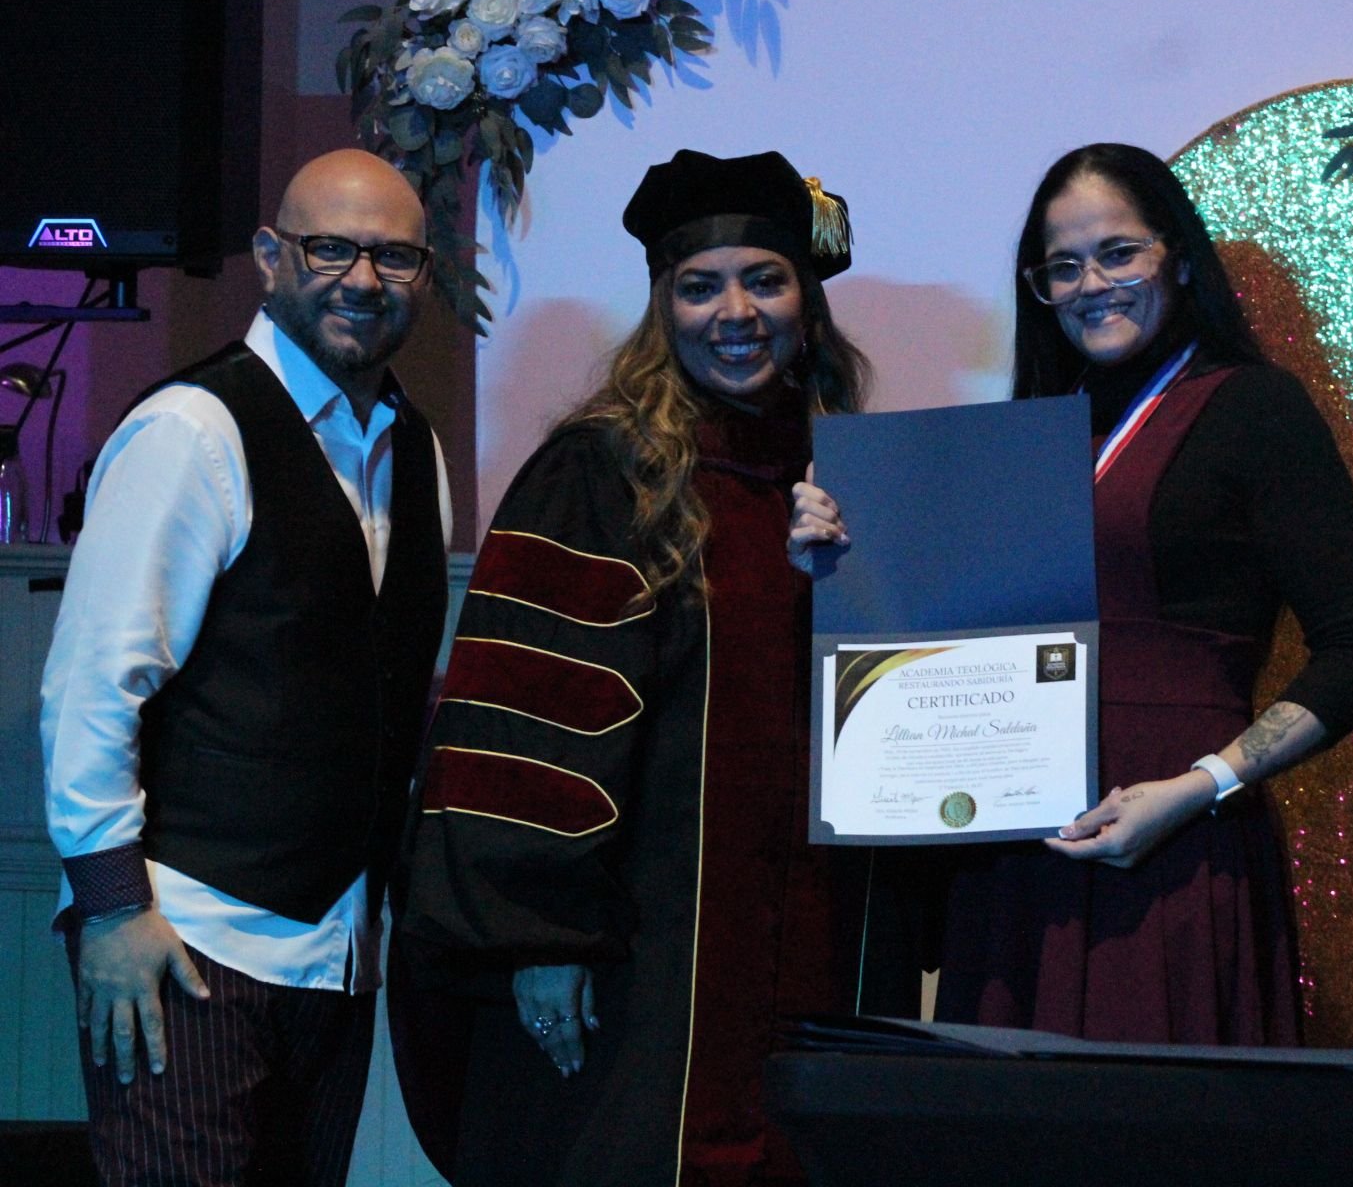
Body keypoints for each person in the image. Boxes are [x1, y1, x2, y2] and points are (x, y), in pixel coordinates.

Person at [397, 150, 884, 1186]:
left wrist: (851, 578)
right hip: (637, 952)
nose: (735, 311)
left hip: (802, 937)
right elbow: (524, 717)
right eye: (700, 286)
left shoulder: (843, 473)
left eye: (766, 277)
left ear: (808, 298)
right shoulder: (603, 467)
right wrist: (542, 936)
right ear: (663, 305)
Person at [40, 147, 450, 1184]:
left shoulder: (416, 446)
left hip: (338, 952)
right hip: (182, 939)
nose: (362, 279)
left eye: (394, 257)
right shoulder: (193, 427)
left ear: (424, 276)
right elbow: (92, 683)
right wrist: (111, 905)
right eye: (330, 248)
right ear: (271, 257)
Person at [929, 142, 1353, 1044]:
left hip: (1174, 843)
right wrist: (838, 545)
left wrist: (1200, 787)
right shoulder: (1028, 434)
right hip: (1016, 854)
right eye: (1063, 267)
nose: (1090, 283)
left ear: (1178, 257)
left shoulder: (1255, 406)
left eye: (1118, 252)